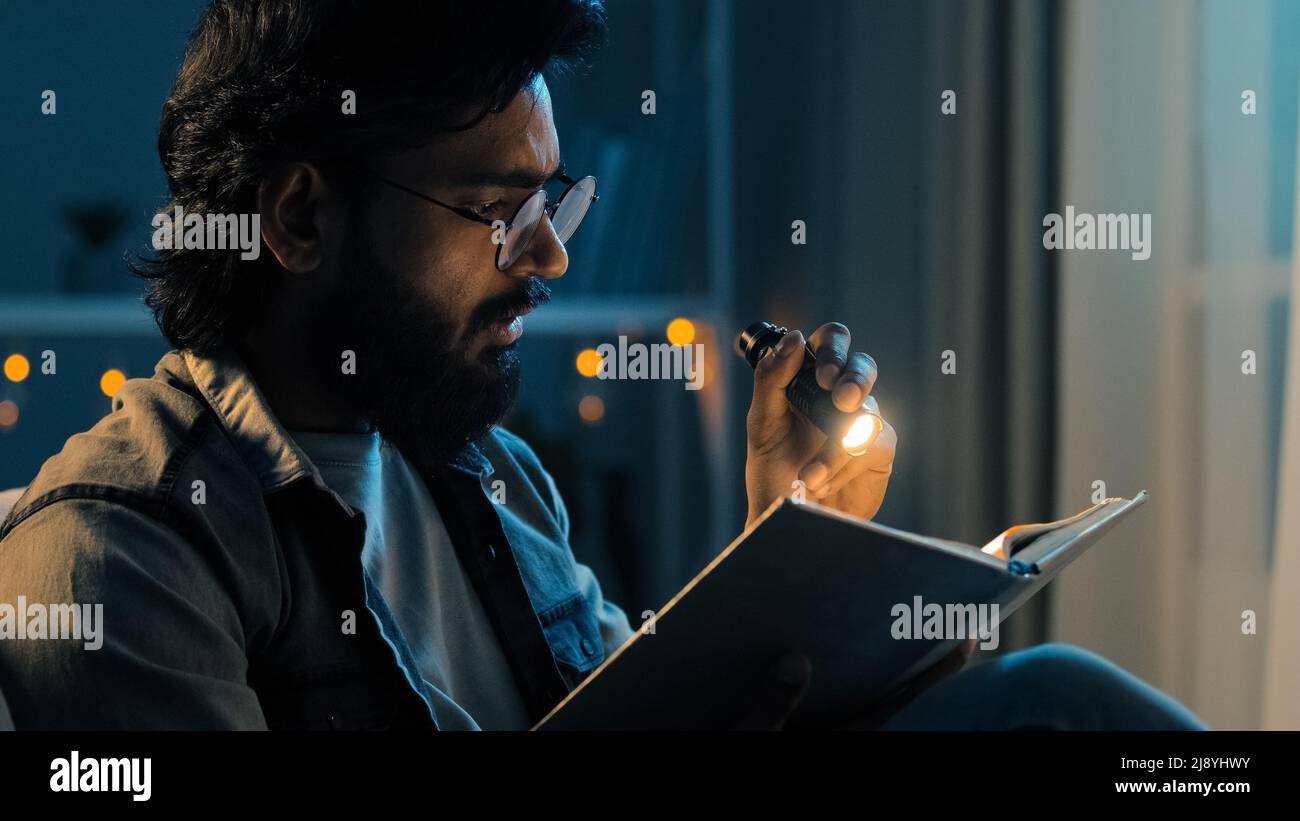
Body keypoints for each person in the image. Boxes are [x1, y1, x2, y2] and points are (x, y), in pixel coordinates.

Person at [0, 0, 1204, 731]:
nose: (550, 257)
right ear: (302, 220)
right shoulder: (121, 555)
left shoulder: (491, 477)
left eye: (555, 202)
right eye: (497, 209)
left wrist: (786, 542)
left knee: (1047, 698)